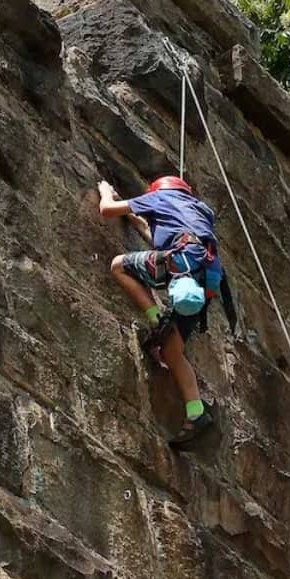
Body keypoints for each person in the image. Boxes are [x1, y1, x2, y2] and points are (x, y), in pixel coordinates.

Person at [97, 175, 237, 448]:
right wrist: (138, 220)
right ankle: (196, 413)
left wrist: (106, 192)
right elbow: (160, 238)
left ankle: (156, 318)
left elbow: (107, 211)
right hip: (203, 278)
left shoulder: (159, 198)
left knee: (118, 265)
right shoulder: (198, 210)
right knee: (171, 351)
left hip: (180, 263)